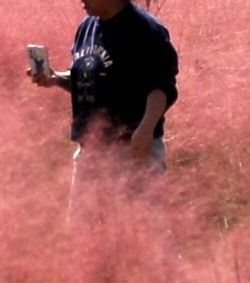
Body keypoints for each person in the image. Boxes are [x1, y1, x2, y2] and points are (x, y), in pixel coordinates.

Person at [29, 0, 175, 184]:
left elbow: (161, 86)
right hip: (90, 152)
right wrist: (56, 78)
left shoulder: (145, 28)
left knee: (132, 214)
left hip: (131, 152)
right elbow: (88, 79)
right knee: (85, 214)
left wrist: (146, 128)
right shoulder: (86, 27)